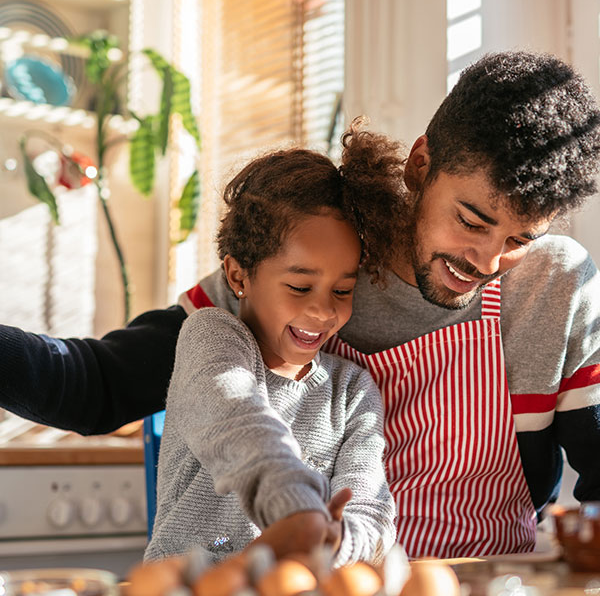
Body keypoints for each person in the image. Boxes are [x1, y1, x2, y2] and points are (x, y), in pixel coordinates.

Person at [2, 50, 600, 558]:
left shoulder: (557, 288)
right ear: (422, 165)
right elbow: (98, 382)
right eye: (471, 220)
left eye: (521, 239)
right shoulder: (310, 261)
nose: (487, 262)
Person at [143, 126, 399, 565]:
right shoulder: (210, 338)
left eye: (342, 291)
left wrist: (337, 539)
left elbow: (371, 508)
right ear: (239, 276)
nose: (323, 312)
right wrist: (297, 508)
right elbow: (242, 425)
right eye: (300, 287)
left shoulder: (352, 391)